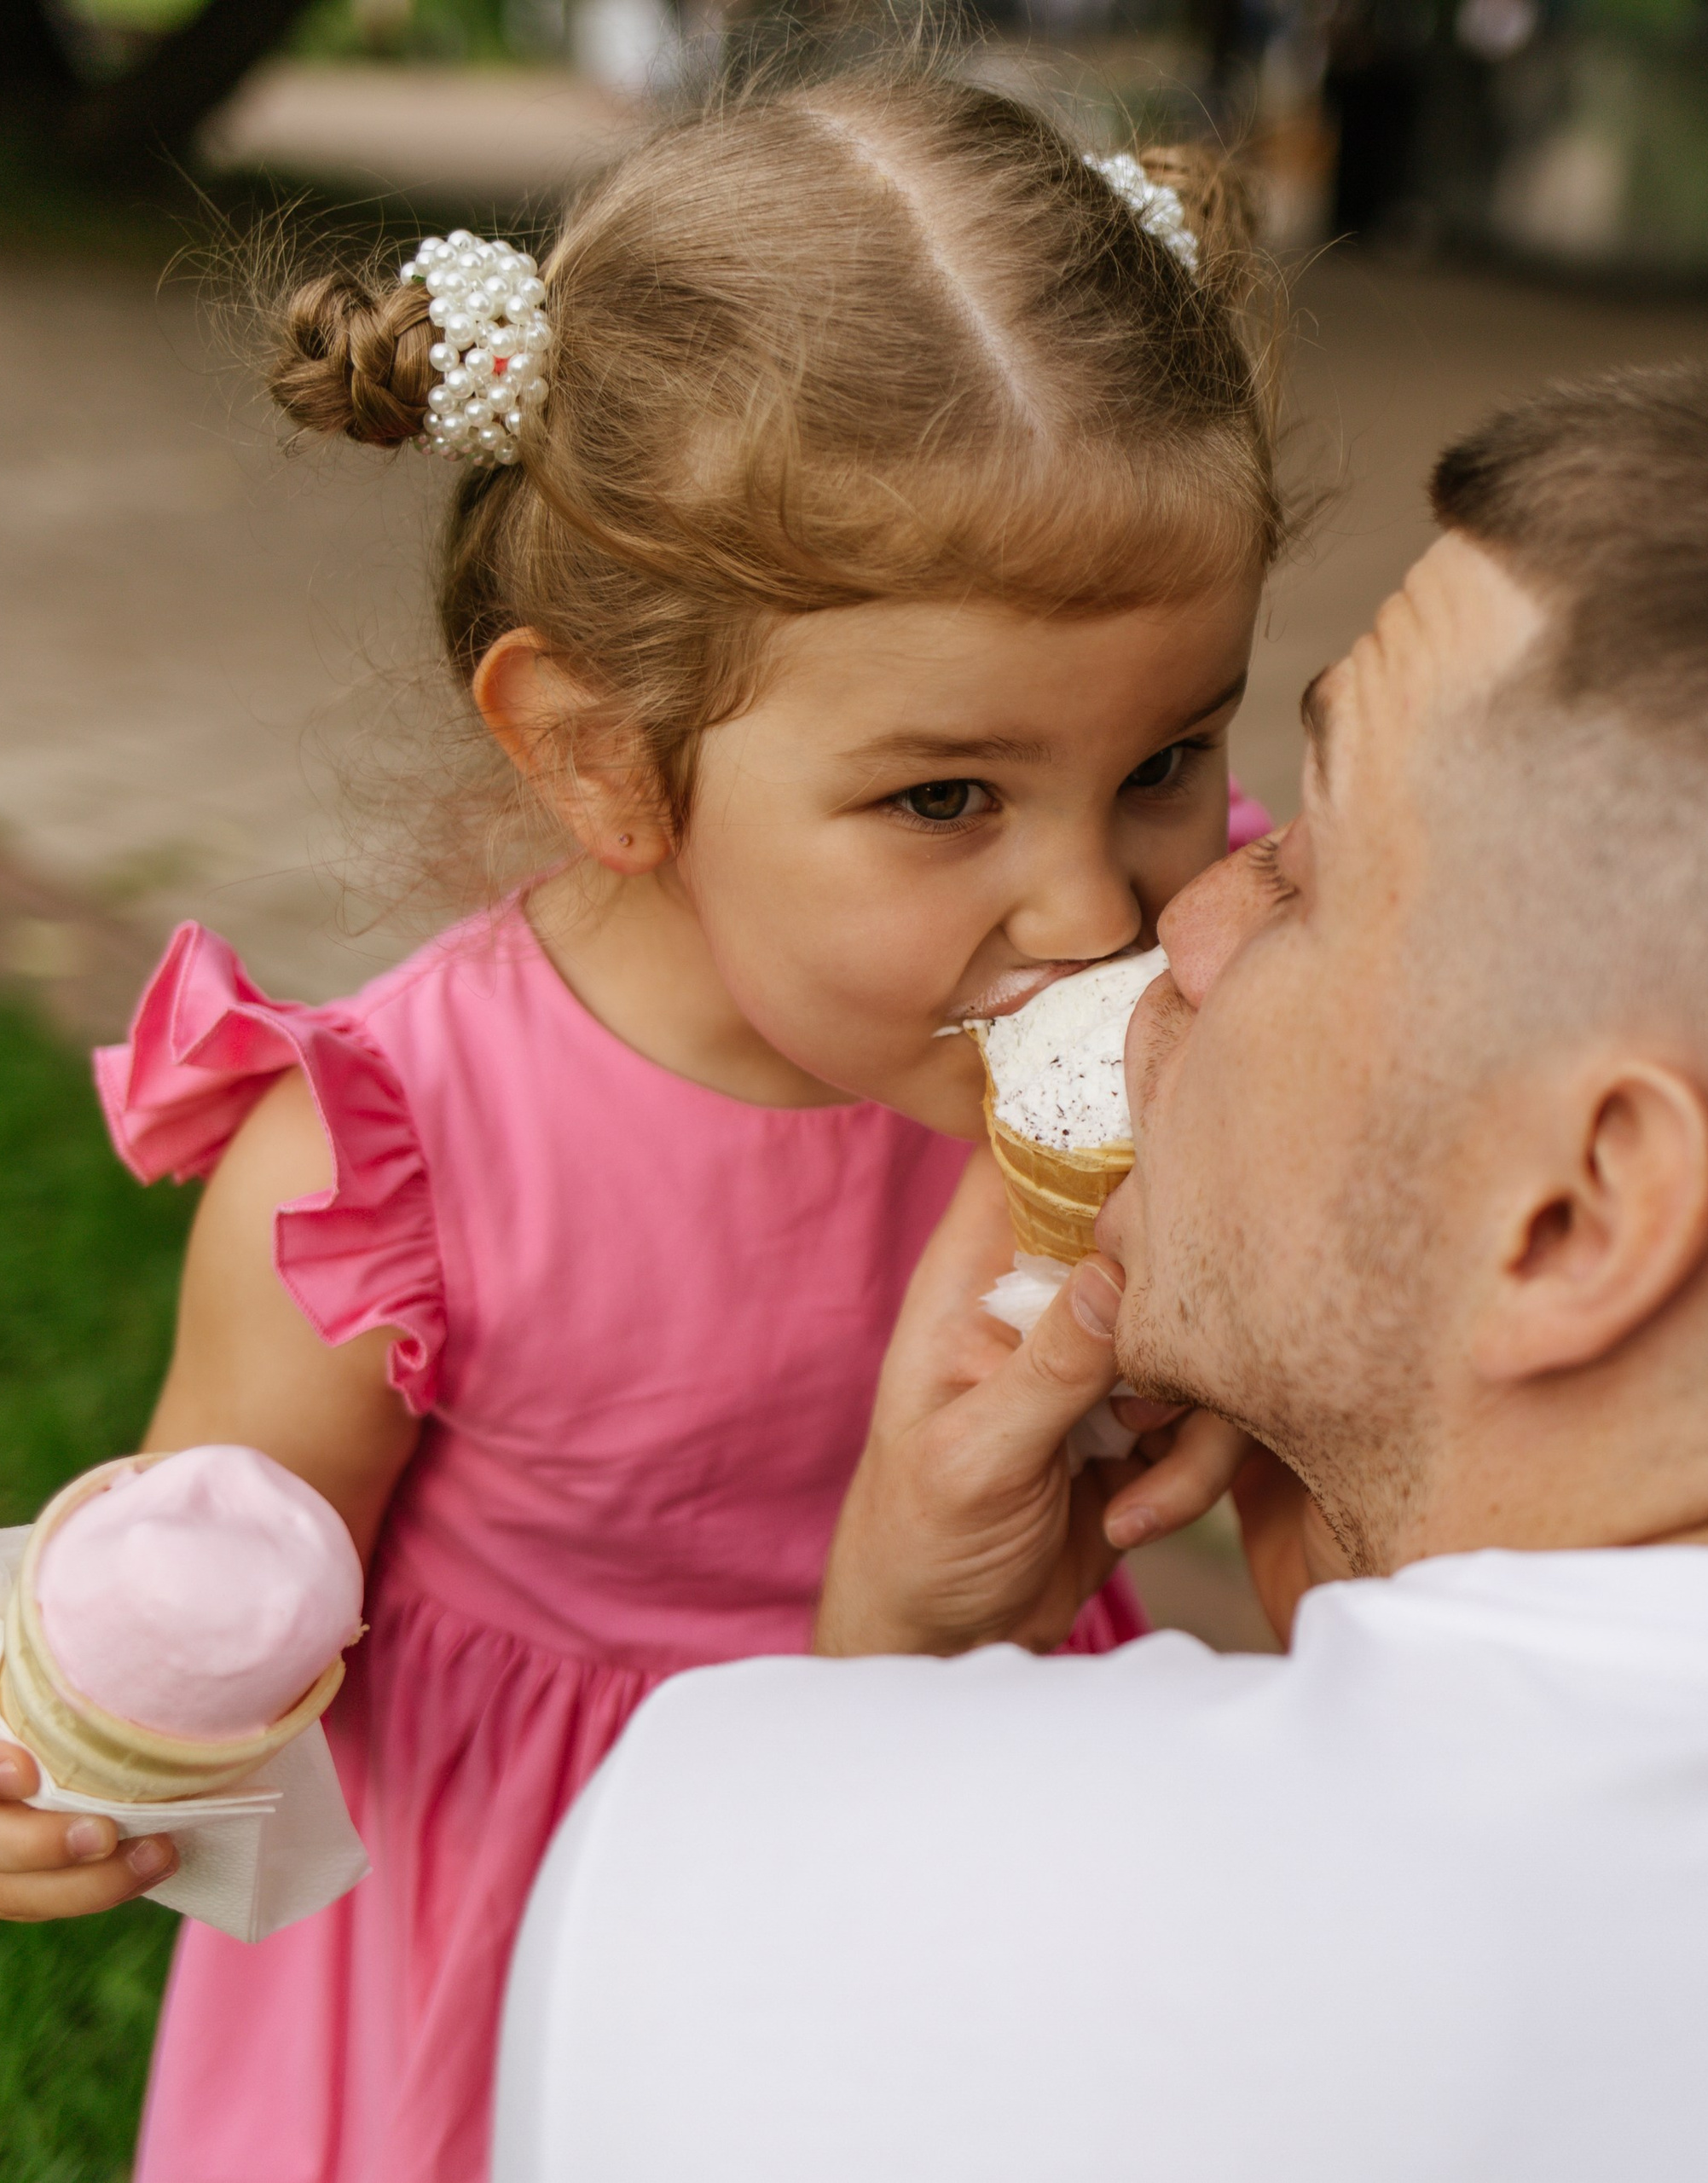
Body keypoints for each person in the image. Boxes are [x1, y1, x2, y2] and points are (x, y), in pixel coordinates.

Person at [501, 362, 1708, 2181]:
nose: (1172, 922)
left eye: (1299, 879)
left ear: (1577, 1211)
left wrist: (889, 1687)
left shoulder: (739, 1877)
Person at [0, 71, 1283, 2183]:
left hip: (978, 1820)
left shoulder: (1205, 983)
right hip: (524, 1934)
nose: (1098, 903)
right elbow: (215, 1581)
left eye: (1167, 753)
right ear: (601, 758)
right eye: (946, 797)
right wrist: (100, 1746)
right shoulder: (383, 1168)